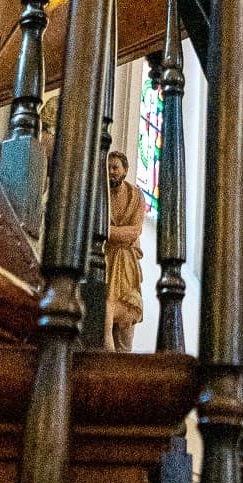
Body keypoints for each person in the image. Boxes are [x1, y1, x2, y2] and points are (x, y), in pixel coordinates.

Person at [104, 147, 146, 349]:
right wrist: (119, 234)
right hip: (106, 258)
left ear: (125, 170)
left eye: (115, 167)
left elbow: (135, 231)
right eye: (109, 167)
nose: (112, 171)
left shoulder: (136, 196)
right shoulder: (101, 195)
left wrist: (109, 232)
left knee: (126, 330)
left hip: (127, 263)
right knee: (105, 308)